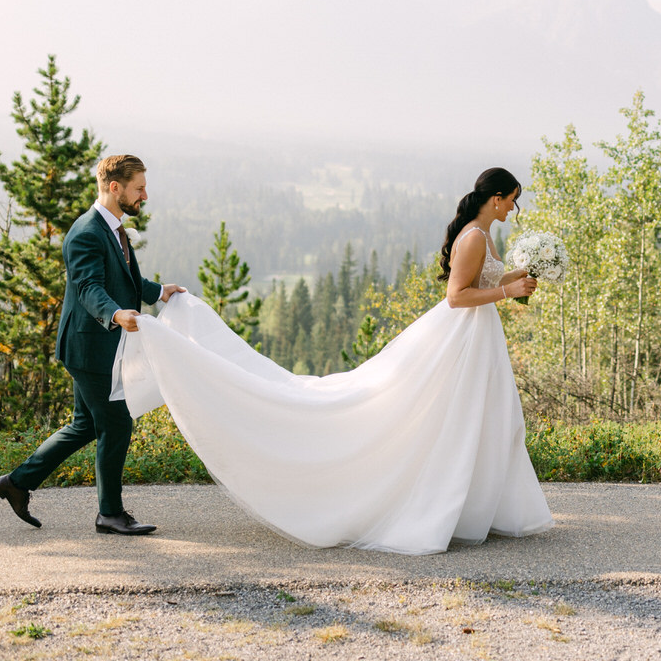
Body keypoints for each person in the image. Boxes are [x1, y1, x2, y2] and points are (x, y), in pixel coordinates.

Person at [109, 167, 553, 554]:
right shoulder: (474, 236)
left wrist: (527, 271)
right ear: (496, 198)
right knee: (450, 417)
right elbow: (457, 296)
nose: (514, 210)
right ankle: (448, 506)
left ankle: (476, 507)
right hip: (463, 333)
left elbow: (486, 276)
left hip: (478, 337)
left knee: (487, 418)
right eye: (512, 202)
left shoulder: (484, 233)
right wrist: (506, 291)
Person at [0, 154, 185, 535]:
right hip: (89, 348)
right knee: (116, 424)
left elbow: (125, 279)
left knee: (84, 425)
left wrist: (160, 292)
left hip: (97, 345)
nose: (145, 195)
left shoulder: (114, 228)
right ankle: (110, 513)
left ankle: (16, 483)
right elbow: (88, 288)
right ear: (115, 187)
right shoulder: (86, 232)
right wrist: (115, 315)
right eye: (139, 188)